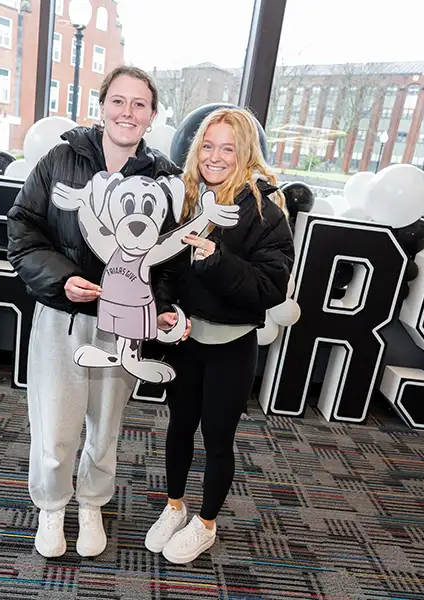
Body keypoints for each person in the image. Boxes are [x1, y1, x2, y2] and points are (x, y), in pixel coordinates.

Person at [7, 65, 189, 559]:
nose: (127, 112)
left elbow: (173, 258)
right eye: (118, 101)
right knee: (55, 425)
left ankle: (91, 503)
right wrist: (62, 278)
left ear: (151, 117)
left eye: (139, 104)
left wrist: (164, 309)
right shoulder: (61, 160)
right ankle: (51, 506)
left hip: (125, 324)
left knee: (105, 426)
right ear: (102, 105)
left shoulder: (165, 179)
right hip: (63, 317)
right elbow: (22, 231)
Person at [143, 108, 295, 564]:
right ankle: (175, 507)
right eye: (208, 146)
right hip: (184, 340)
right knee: (178, 427)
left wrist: (214, 257)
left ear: (245, 152)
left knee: (218, 438)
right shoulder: (184, 197)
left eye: (228, 147)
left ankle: (206, 524)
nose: (216, 156)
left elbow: (270, 288)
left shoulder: (267, 208)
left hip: (232, 344)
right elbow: (162, 268)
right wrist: (166, 309)